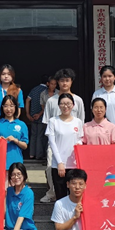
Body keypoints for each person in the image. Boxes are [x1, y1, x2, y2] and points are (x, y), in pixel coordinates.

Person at [40, 68, 85, 203]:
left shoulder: (78, 100)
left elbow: (81, 122)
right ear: (57, 82)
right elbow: (47, 121)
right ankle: (51, 193)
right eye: (61, 81)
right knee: (51, 168)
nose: (64, 83)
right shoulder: (51, 101)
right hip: (55, 141)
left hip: (73, 144)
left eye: (67, 80)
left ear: (71, 82)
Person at [46, 93, 84, 200]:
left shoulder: (78, 122)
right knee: (61, 196)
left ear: (73, 105)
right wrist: (60, 163)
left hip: (74, 164)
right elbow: (52, 143)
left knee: (75, 196)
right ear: (59, 105)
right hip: (58, 165)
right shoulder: (53, 121)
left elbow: (80, 139)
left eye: (68, 103)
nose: (65, 106)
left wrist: (79, 145)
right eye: (62, 103)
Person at [0, 95, 29, 174]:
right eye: (6, 106)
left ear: (15, 107)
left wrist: (15, 140)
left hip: (16, 163)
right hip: (0, 162)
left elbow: (25, 146)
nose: (8, 109)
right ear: (2, 107)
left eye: (11, 106)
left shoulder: (21, 125)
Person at [0, 64, 24, 130]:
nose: (6, 76)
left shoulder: (18, 90)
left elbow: (18, 110)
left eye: (9, 74)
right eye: (3, 74)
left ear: (12, 76)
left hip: (12, 127)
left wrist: (12, 124)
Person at [25, 74, 49, 160]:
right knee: (40, 135)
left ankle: (31, 154)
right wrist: (40, 113)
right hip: (42, 116)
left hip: (32, 115)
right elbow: (45, 105)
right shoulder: (46, 91)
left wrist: (28, 113)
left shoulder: (34, 89)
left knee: (33, 135)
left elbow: (27, 100)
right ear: (48, 83)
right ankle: (39, 155)